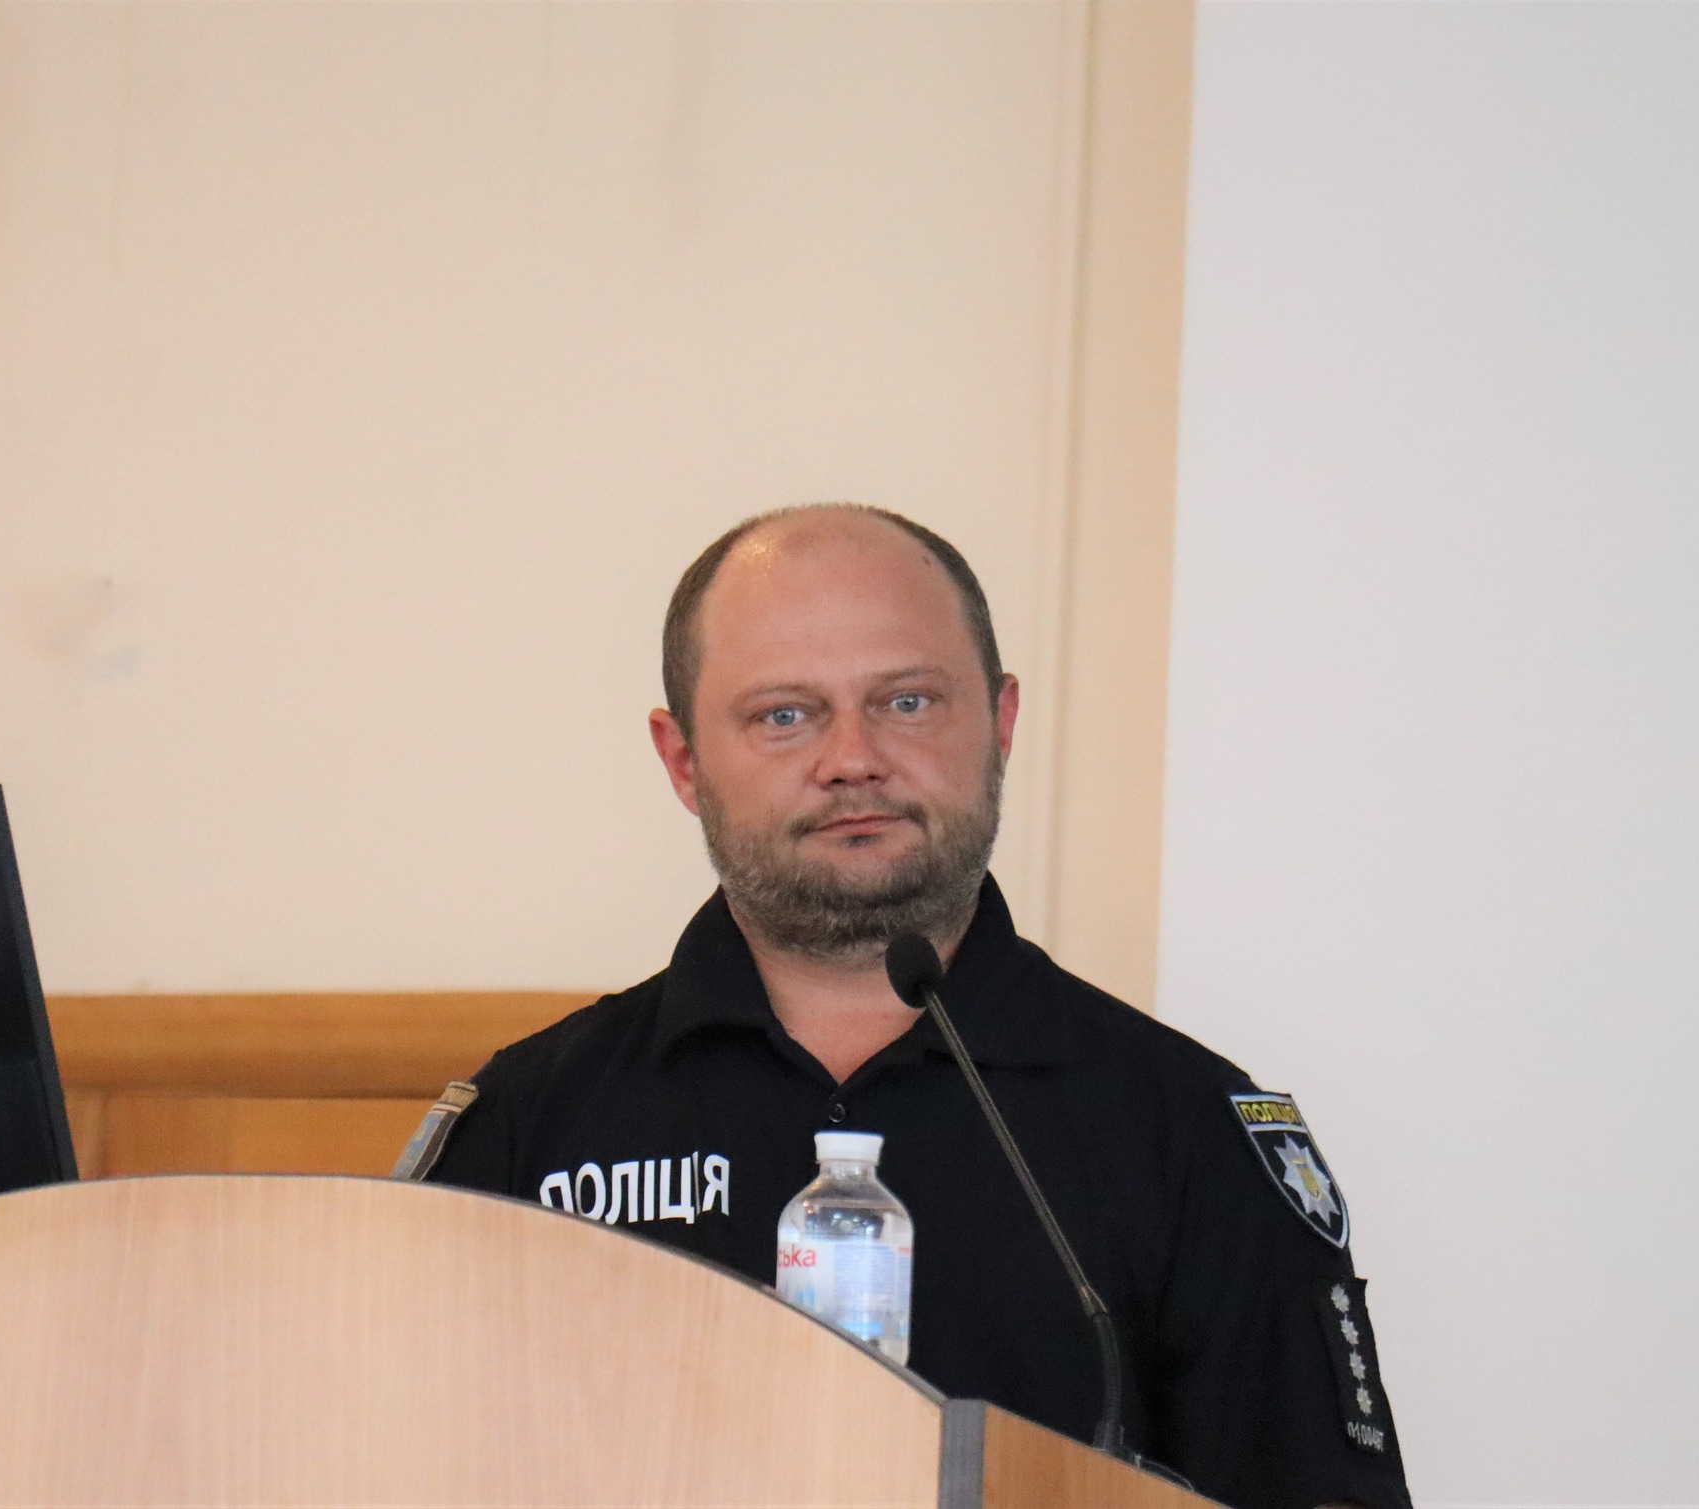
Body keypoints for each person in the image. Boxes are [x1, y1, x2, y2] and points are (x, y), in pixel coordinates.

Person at [425, 504, 1413, 1509]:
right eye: (783, 715)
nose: (852, 757)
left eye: (906, 702)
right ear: (682, 760)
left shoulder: (1185, 1130)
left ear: (1001, 722)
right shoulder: (526, 1125)